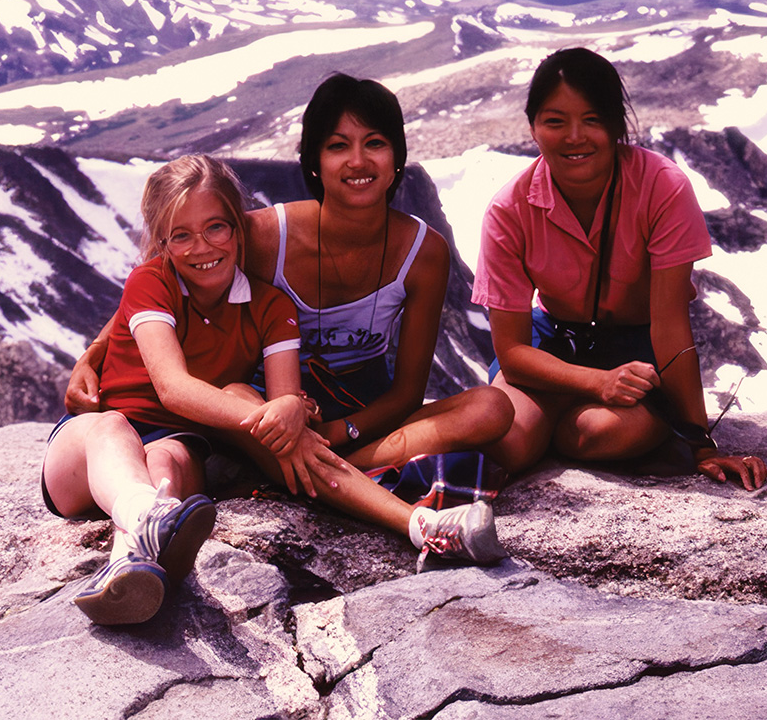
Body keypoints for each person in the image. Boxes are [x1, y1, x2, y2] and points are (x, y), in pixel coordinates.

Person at [46, 157, 505, 626]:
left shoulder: (270, 306)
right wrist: (274, 411)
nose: (200, 247)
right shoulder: (153, 283)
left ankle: (131, 567)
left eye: (216, 228)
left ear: (240, 228)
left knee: (170, 462)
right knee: (114, 427)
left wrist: (289, 411)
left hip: (179, 443)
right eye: (180, 236)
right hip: (86, 454)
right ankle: (145, 519)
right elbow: (174, 390)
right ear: (161, 243)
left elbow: (288, 419)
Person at [66, 74, 513, 477]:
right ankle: (338, 474)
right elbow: (159, 280)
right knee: (244, 400)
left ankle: (334, 470)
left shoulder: (423, 251)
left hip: (361, 411)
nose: (358, 161)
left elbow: (408, 392)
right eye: (338, 146)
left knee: (491, 407)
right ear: (314, 162)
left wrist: (338, 433)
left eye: (374, 143)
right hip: (267, 405)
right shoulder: (264, 236)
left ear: (397, 156)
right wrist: (92, 355)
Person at [472, 47, 767, 490]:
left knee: (601, 433)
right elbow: (513, 352)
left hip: (638, 350)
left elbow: (669, 324)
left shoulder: (662, 187)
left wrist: (701, 444)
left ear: (616, 125)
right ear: (533, 127)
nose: (575, 136)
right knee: (511, 440)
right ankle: (547, 425)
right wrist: (596, 382)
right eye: (555, 121)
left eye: (592, 120)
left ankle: (554, 424)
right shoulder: (509, 209)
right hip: (552, 343)